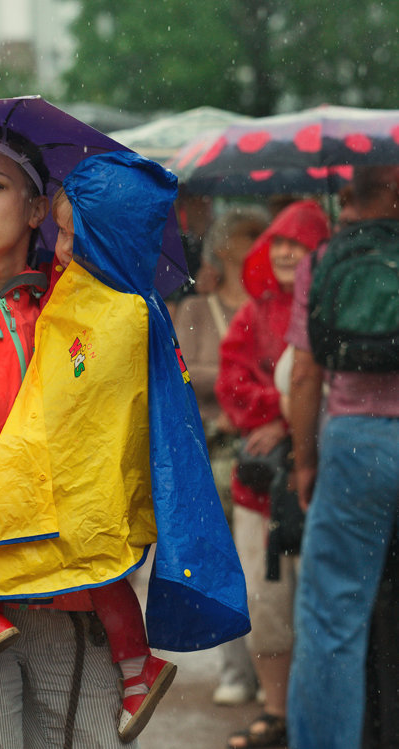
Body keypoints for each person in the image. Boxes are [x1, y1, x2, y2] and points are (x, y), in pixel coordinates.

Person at [0, 131, 247, 747]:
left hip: (76, 603)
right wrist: (68, 522)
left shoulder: (85, 305)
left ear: (38, 208)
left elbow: (133, 442)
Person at [0, 183, 177, 743]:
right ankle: (135, 664)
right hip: (86, 467)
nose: (61, 247)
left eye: (74, 235)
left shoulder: (117, 307)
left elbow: (92, 380)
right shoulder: (118, 301)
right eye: (62, 233)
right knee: (101, 568)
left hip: (73, 457)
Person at [286, 165, 399, 749]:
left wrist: (306, 462)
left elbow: (304, 376)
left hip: (357, 443)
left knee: (333, 620)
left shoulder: (323, 260)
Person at [215, 199, 330, 749]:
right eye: (278, 242)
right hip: (263, 491)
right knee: (266, 607)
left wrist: (288, 416)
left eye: (300, 243)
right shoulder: (254, 314)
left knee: (322, 605)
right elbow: (232, 385)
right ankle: (275, 712)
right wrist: (286, 405)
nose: (285, 252)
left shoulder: (335, 308)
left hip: (324, 484)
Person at [173, 206, 269, 707]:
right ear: (226, 244)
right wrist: (235, 375)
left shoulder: (273, 305)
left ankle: (269, 664)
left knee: (263, 561)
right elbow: (182, 370)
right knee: (225, 561)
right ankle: (237, 668)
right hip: (213, 448)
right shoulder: (195, 309)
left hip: (262, 449)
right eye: (250, 233)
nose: (261, 241)